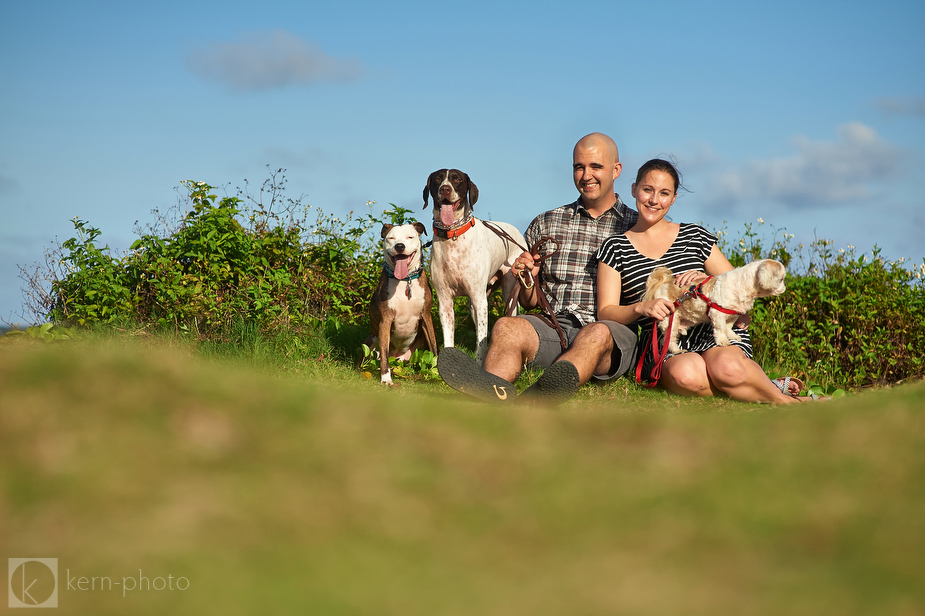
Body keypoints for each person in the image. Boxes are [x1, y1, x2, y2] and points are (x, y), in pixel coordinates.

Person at [437, 132, 639, 403]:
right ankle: (491, 391)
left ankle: (540, 398)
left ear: (616, 170)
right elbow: (530, 301)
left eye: (596, 166)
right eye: (579, 167)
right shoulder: (545, 223)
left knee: (596, 333)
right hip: (552, 326)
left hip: (608, 332)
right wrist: (526, 277)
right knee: (506, 327)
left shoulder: (637, 227)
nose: (586, 175)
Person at [596, 158, 804, 404]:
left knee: (727, 368)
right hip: (665, 336)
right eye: (647, 190)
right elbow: (605, 312)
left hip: (713, 328)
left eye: (664, 193)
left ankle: (789, 402)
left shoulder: (694, 236)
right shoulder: (615, 247)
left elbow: (739, 286)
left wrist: (710, 280)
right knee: (688, 376)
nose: (654, 200)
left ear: (673, 198)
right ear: (634, 189)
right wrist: (640, 307)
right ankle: (764, 385)